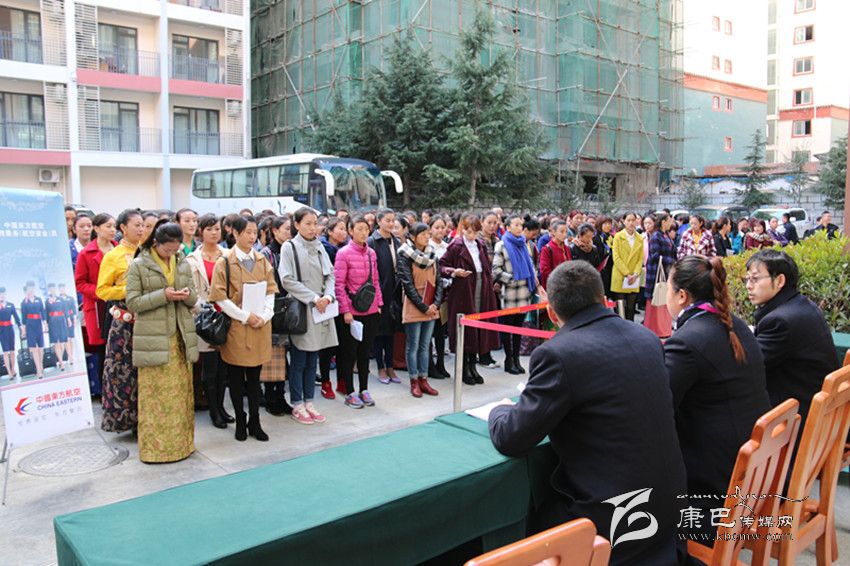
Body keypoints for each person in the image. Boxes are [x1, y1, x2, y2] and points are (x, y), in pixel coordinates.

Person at [488, 261, 688, 566]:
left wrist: (500, 409)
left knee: (521, 523)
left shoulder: (558, 353)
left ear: (551, 313)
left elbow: (512, 437)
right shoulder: (646, 337)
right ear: (603, 298)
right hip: (670, 508)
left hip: (614, 521)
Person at [663, 255, 771, 540]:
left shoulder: (688, 341)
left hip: (714, 491)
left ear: (682, 296)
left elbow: (659, 407)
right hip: (751, 475)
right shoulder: (735, 325)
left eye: (668, 288)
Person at [126, 221, 199, 463]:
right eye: (167, 249)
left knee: (180, 397)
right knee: (156, 399)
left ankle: (183, 446)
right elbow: (132, 302)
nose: (171, 254)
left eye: (176, 249)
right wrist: (163, 295)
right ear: (156, 243)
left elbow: (194, 297)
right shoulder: (139, 264)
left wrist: (186, 296)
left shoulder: (182, 261)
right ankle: (155, 451)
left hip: (180, 336)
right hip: (154, 338)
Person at [745, 249, 838, 424]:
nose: (749, 286)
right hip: (820, 412)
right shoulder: (803, 305)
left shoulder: (781, 321)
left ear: (780, 280)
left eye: (755, 279)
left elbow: (748, 365)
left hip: (798, 420)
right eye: (747, 279)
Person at [209, 215, 277, 441]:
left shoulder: (262, 260)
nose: (252, 236)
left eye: (254, 232)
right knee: (236, 378)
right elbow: (220, 298)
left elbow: (270, 291)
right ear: (235, 233)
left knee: (255, 378)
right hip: (237, 326)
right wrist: (245, 316)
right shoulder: (225, 262)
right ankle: (240, 419)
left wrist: (265, 315)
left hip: (260, 326)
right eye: (247, 232)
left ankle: (255, 421)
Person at [280, 208, 338, 424]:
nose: (313, 228)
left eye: (315, 223)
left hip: (321, 309)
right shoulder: (289, 247)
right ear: (296, 225)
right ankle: (297, 403)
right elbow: (287, 279)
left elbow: (330, 275)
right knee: (299, 360)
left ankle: (309, 402)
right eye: (308, 223)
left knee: (314, 358)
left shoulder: (320, 246)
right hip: (302, 309)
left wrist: (328, 297)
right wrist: (314, 298)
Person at [96, 209, 146, 433]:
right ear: (123, 228)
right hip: (125, 323)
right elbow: (102, 290)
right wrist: (129, 290)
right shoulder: (113, 256)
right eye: (137, 225)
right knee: (123, 373)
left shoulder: (148, 251)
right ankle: (125, 421)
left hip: (148, 318)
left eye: (143, 225)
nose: (141, 229)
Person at [186, 214, 234, 429]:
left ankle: (222, 407)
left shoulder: (228, 254)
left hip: (227, 315)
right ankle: (213, 409)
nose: (214, 233)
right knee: (210, 368)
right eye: (209, 229)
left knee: (225, 368)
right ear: (201, 232)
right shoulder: (192, 259)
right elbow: (191, 290)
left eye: (217, 229)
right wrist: (202, 307)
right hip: (205, 318)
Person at [439, 214, 499, 385]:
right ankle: (464, 368)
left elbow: (485, 267)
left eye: (475, 232)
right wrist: (454, 271)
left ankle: (473, 366)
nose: (472, 235)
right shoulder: (456, 246)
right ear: (463, 229)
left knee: (477, 329)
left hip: (481, 288)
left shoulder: (480, 244)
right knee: (465, 331)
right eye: (469, 231)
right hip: (463, 291)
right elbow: (441, 265)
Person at [334, 215, 383, 409]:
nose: (364, 232)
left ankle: (364, 389)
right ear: (350, 230)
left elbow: (376, 281)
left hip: (370, 310)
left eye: (366, 229)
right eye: (359, 229)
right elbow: (339, 285)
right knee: (349, 353)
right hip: (352, 313)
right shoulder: (343, 253)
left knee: (364, 353)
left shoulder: (371, 253)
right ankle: (350, 392)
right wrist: (345, 310)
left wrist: (379, 304)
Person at [493, 215, 545, 376]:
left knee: (518, 328)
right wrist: (512, 278)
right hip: (510, 292)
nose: (519, 227)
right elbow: (496, 270)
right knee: (508, 328)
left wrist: (533, 279)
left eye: (520, 225)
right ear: (508, 227)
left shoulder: (523, 244)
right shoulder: (501, 245)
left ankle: (516, 359)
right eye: (515, 224)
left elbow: (530, 266)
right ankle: (509, 360)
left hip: (524, 292)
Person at [398, 223, 443, 397]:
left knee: (425, 345)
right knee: (413, 345)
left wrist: (435, 304)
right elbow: (407, 285)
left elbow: (439, 281)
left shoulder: (432, 254)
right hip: (414, 304)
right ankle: (414, 380)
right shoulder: (405, 254)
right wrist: (424, 307)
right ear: (413, 237)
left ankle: (424, 379)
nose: (426, 237)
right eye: (422, 234)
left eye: (427, 233)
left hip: (431, 305)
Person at [75, 213, 116, 382]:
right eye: (108, 226)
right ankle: (103, 388)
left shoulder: (120, 250)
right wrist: (101, 292)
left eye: (114, 226)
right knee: (102, 349)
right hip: (98, 306)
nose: (113, 230)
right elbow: (80, 283)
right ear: (97, 229)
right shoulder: (86, 253)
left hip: (120, 303)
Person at [259, 216, 294, 415]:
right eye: (286, 229)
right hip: (273, 308)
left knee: (283, 354)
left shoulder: (290, 250)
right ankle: (271, 398)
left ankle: (280, 396)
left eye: (290, 229)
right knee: (273, 355)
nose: (289, 233)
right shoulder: (266, 254)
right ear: (274, 231)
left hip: (288, 308)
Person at [369, 208, 402, 384]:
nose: (391, 223)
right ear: (379, 221)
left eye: (392, 220)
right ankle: (381, 367)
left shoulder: (396, 241)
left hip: (394, 293)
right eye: (387, 220)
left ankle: (390, 366)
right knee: (378, 333)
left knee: (391, 332)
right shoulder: (372, 241)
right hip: (379, 293)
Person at [318, 216, 348, 398]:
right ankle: (325, 382)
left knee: (343, 344)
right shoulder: (323, 249)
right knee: (327, 346)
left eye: (345, 228)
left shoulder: (346, 249)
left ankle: (342, 380)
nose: (344, 232)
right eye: (340, 228)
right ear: (329, 231)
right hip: (328, 301)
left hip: (343, 300)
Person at [427, 215, 451, 379]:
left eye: (443, 227)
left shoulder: (447, 246)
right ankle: (430, 365)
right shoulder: (427, 247)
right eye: (437, 227)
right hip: (431, 293)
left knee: (441, 332)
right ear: (430, 229)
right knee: (429, 332)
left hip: (445, 294)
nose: (440, 230)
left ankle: (441, 363)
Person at [644, 213, 675, 338]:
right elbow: (655, 255)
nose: (671, 223)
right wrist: (671, 261)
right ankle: (655, 329)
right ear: (663, 222)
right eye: (669, 221)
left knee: (664, 299)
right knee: (656, 298)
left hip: (666, 271)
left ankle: (664, 329)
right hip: (656, 272)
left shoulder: (665, 235)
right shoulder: (656, 236)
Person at [611, 212, 644, 321]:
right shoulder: (618, 236)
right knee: (620, 308)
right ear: (623, 221)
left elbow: (640, 259)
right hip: (620, 275)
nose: (631, 223)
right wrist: (627, 274)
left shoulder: (639, 238)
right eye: (628, 220)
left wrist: (635, 273)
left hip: (634, 277)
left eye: (633, 220)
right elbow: (616, 258)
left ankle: (630, 327)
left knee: (631, 307)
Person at [20, 281, 46, 378]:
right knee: (34, 349)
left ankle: (41, 364)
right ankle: (38, 370)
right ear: (27, 289)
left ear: (34, 288)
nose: (31, 290)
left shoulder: (39, 299)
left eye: (32, 287)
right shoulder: (24, 302)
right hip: (30, 326)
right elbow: (23, 318)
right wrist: (23, 330)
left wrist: (45, 324)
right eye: (29, 288)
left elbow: (42, 311)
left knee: (41, 347)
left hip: (38, 324)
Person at [539, 220, 571, 289]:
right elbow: (545, 271)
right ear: (553, 232)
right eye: (562, 232)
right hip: (554, 287)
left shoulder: (567, 248)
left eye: (566, 232)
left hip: (567, 286)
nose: (564, 234)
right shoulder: (546, 249)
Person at [45, 283, 69, 370]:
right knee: (56, 342)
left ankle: (60, 358)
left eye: (53, 288)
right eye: (50, 288)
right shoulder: (47, 301)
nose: (52, 290)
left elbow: (65, 310)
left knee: (62, 342)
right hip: (52, 322)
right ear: (49, 290)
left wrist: (68, 319)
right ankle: (61, 362)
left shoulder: (60, 299)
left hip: (61, 321)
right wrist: (46, 325)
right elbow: (46, 313)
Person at [0, 287, 21, 379]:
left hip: (10, 329)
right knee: (5, 351)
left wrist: (20, 326)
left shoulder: (10, 305)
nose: (2, 296)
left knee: (12, 351)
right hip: (1, 330)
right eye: (0, 294)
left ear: (5, 294)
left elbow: (16, 317)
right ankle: (9, 372)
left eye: (3, 294)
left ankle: (13, 369)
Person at [593, 216, 614, 298]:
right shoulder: (595, 238)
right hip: (600, 269)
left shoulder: (612, 237)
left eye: (609, 223)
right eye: (605, 224)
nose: (608, 226)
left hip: (611, 268)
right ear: (599, 225)